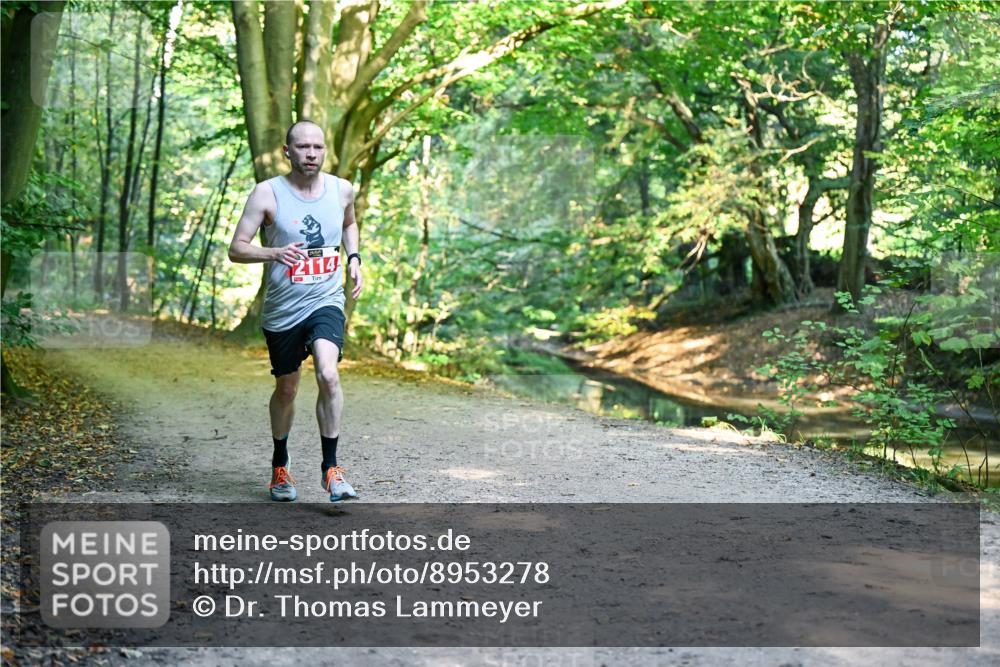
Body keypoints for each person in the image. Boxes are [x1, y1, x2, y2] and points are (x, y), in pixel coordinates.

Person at [228, 119, 363, 502]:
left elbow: (350, 224)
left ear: (325, 151)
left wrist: (353, 257)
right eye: (303, 147)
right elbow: (236, 248)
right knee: (286, 389)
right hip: (283, 309)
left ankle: (331, 470)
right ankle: (280, 465)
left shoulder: (341, 190)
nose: (311, 154)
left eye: (317, 147)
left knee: (328, 373)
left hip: (326, 299)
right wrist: (272, 252)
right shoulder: (266, 194)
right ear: (288, 151)